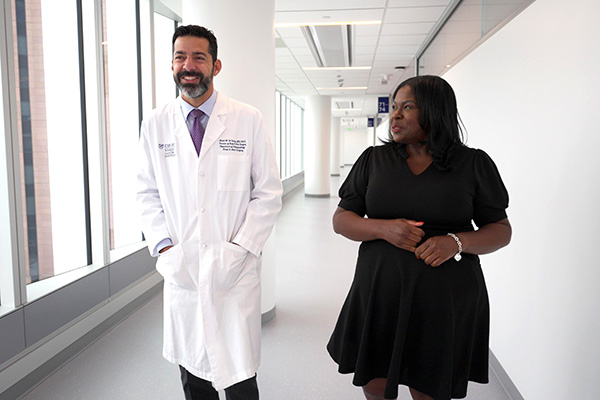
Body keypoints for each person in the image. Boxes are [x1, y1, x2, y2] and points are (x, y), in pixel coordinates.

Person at [327, 75, 512, 400]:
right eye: (394, 107)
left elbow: (500, 230)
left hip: (443, 299)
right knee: (376, 383)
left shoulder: (472, 164)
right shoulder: (374, 160)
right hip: (380, 291)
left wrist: (456, 241)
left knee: (429, 386)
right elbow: (341, 220)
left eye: (407, 107)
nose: (395, 115)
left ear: (436, 111)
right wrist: (384, 229)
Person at [136, 25, 282, 400]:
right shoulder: (155, 123)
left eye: (198, 57)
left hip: (234, 270)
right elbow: (146, 192)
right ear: (171, 65)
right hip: (182, 266)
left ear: (216, 66)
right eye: (180, 57)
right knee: (194, 378)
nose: (189, 65)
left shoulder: (247, 119)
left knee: (240, 375)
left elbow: (267, 193)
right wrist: (165, 249)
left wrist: (240, 249)